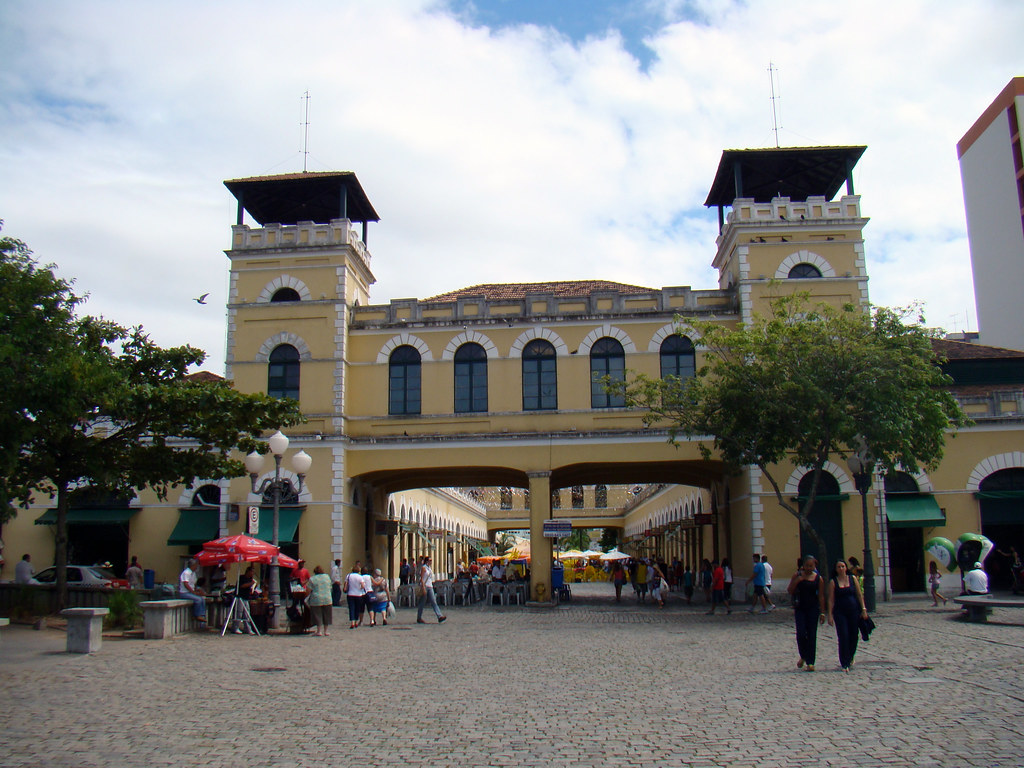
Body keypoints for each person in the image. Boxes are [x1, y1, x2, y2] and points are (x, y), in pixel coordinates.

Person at [827, 559, 868, 672]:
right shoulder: (833, 582)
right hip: (840, 612)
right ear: (836, 569)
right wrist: (830, 615)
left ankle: (850, 656)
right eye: (839, 567)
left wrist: (863, 609)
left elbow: (859, 595)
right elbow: (831, 600)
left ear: (846, 568)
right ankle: (844, 662)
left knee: (853, 635)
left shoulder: (852, 579)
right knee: (843, 635)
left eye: (843, 566)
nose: (841, 569)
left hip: (853, 611)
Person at [788, 556, 825, 671]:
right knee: (800, 633)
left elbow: (821, 596)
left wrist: (823, 612)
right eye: (807, 565)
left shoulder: (818, 578)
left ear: (815, 566)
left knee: (812, 634)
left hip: (813, 608)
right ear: (803, 565)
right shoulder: (797, 575)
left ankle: (810, 662)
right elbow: (790, 590)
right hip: (800, 608)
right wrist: (798, 581)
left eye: (811, 566)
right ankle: (803, 655)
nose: (809, 568)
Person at [416, 555, 447, 625]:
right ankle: (419, 617)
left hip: (430, 586)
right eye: (430, 560)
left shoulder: (429, 568)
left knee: (433, 601)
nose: (431, 562)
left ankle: (439, 616)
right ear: (427, 561)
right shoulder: (424, 568)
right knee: (422, 602)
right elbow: (422, 578)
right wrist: (423, 587)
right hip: (425, 586)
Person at [178, 558, 207, 629]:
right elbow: (186, 584)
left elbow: (194, 584)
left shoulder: (193, 574)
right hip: (184, 593)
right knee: (198, 600)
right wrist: (193, 592)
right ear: (192, 565)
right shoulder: (186, 573)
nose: (197, 567)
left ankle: (202, 615)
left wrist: (198, 590)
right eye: (196, 565)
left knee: (202, 599)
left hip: (190, 592)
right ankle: (197, 615)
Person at [307, 565, 333, 637]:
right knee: (327, 615)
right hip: (327, 598)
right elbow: (330, 587)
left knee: (317, 615)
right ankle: (326, 631)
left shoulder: (312, 579)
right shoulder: (327, 577)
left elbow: (308, 590)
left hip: (316, 599)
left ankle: (319, 631)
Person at [344, 563, 366, 629]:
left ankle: (352, 622)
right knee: (357, 608)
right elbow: (362, 586)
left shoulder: (348, 576)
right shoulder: (360, 577)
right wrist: (360, 588)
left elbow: (346, 584)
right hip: (358, 594)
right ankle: (356, 621)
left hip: (350, 594)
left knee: (351, 608)